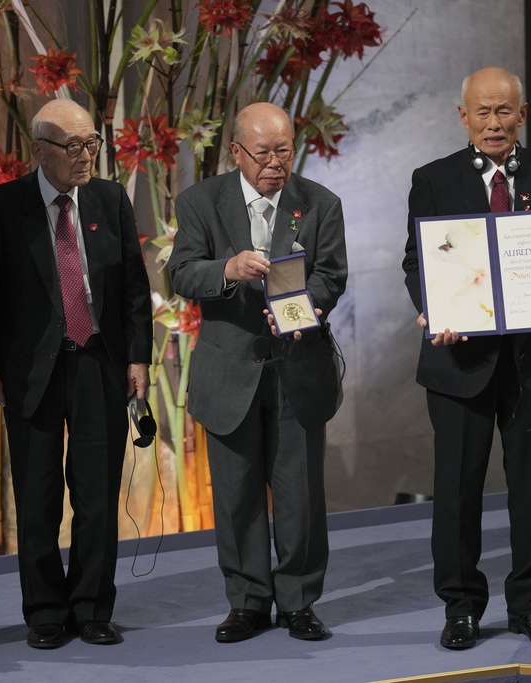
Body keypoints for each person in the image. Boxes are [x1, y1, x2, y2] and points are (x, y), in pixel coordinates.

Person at [401, 66, 531, 651]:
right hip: (459, 364)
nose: (493, 123)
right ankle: (461, 609)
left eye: (504, 111)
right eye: (481, 112)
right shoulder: (432, 179)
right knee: (457, 490)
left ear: (522, 115)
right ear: (463, 118)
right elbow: (416, 261)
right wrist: (432, 308)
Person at [0, 99, 152, 650]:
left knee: (96, 495)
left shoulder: (109, 198)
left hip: (99, 362)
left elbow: (133, 288)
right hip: (29, 371)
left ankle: (91, 607)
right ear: (40, 149)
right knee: (38, 495)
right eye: (74, 146)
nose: (87, 155)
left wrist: (137, 358)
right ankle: (45, 611)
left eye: (92, 143)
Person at [168, 102, 347, 642]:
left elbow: (332, 276)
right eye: (264, 152)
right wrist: (228, 269)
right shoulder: (201, 201)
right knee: (236, 492)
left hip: (297, 364)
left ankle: (298, 599)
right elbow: (181, 271)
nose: (276, 162)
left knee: (299, 494)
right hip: (229, 371)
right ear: (236, 151)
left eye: (285, 150)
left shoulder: (320, 203)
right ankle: (247, 601)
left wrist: (302, 307)